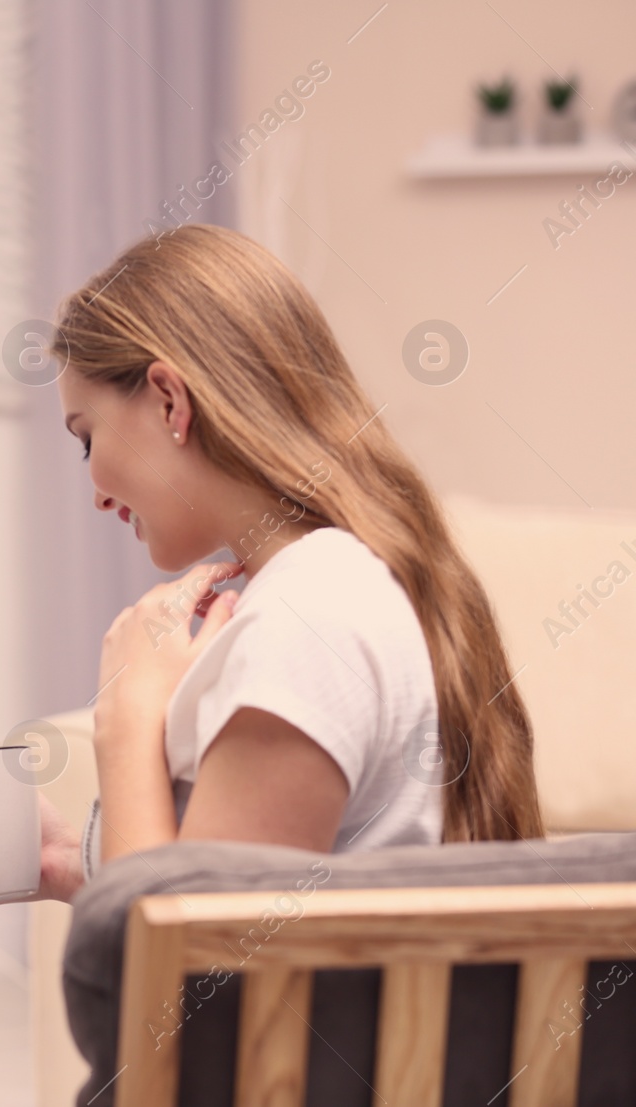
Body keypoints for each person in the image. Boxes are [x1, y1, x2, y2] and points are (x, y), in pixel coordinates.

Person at [27, 225, 543, 904]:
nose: (94, 490)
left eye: (86, 436)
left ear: (168, 400)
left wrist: (128, 719)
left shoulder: (307, 623)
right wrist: (72, 860)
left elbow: (183, 994)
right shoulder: (336, 584)